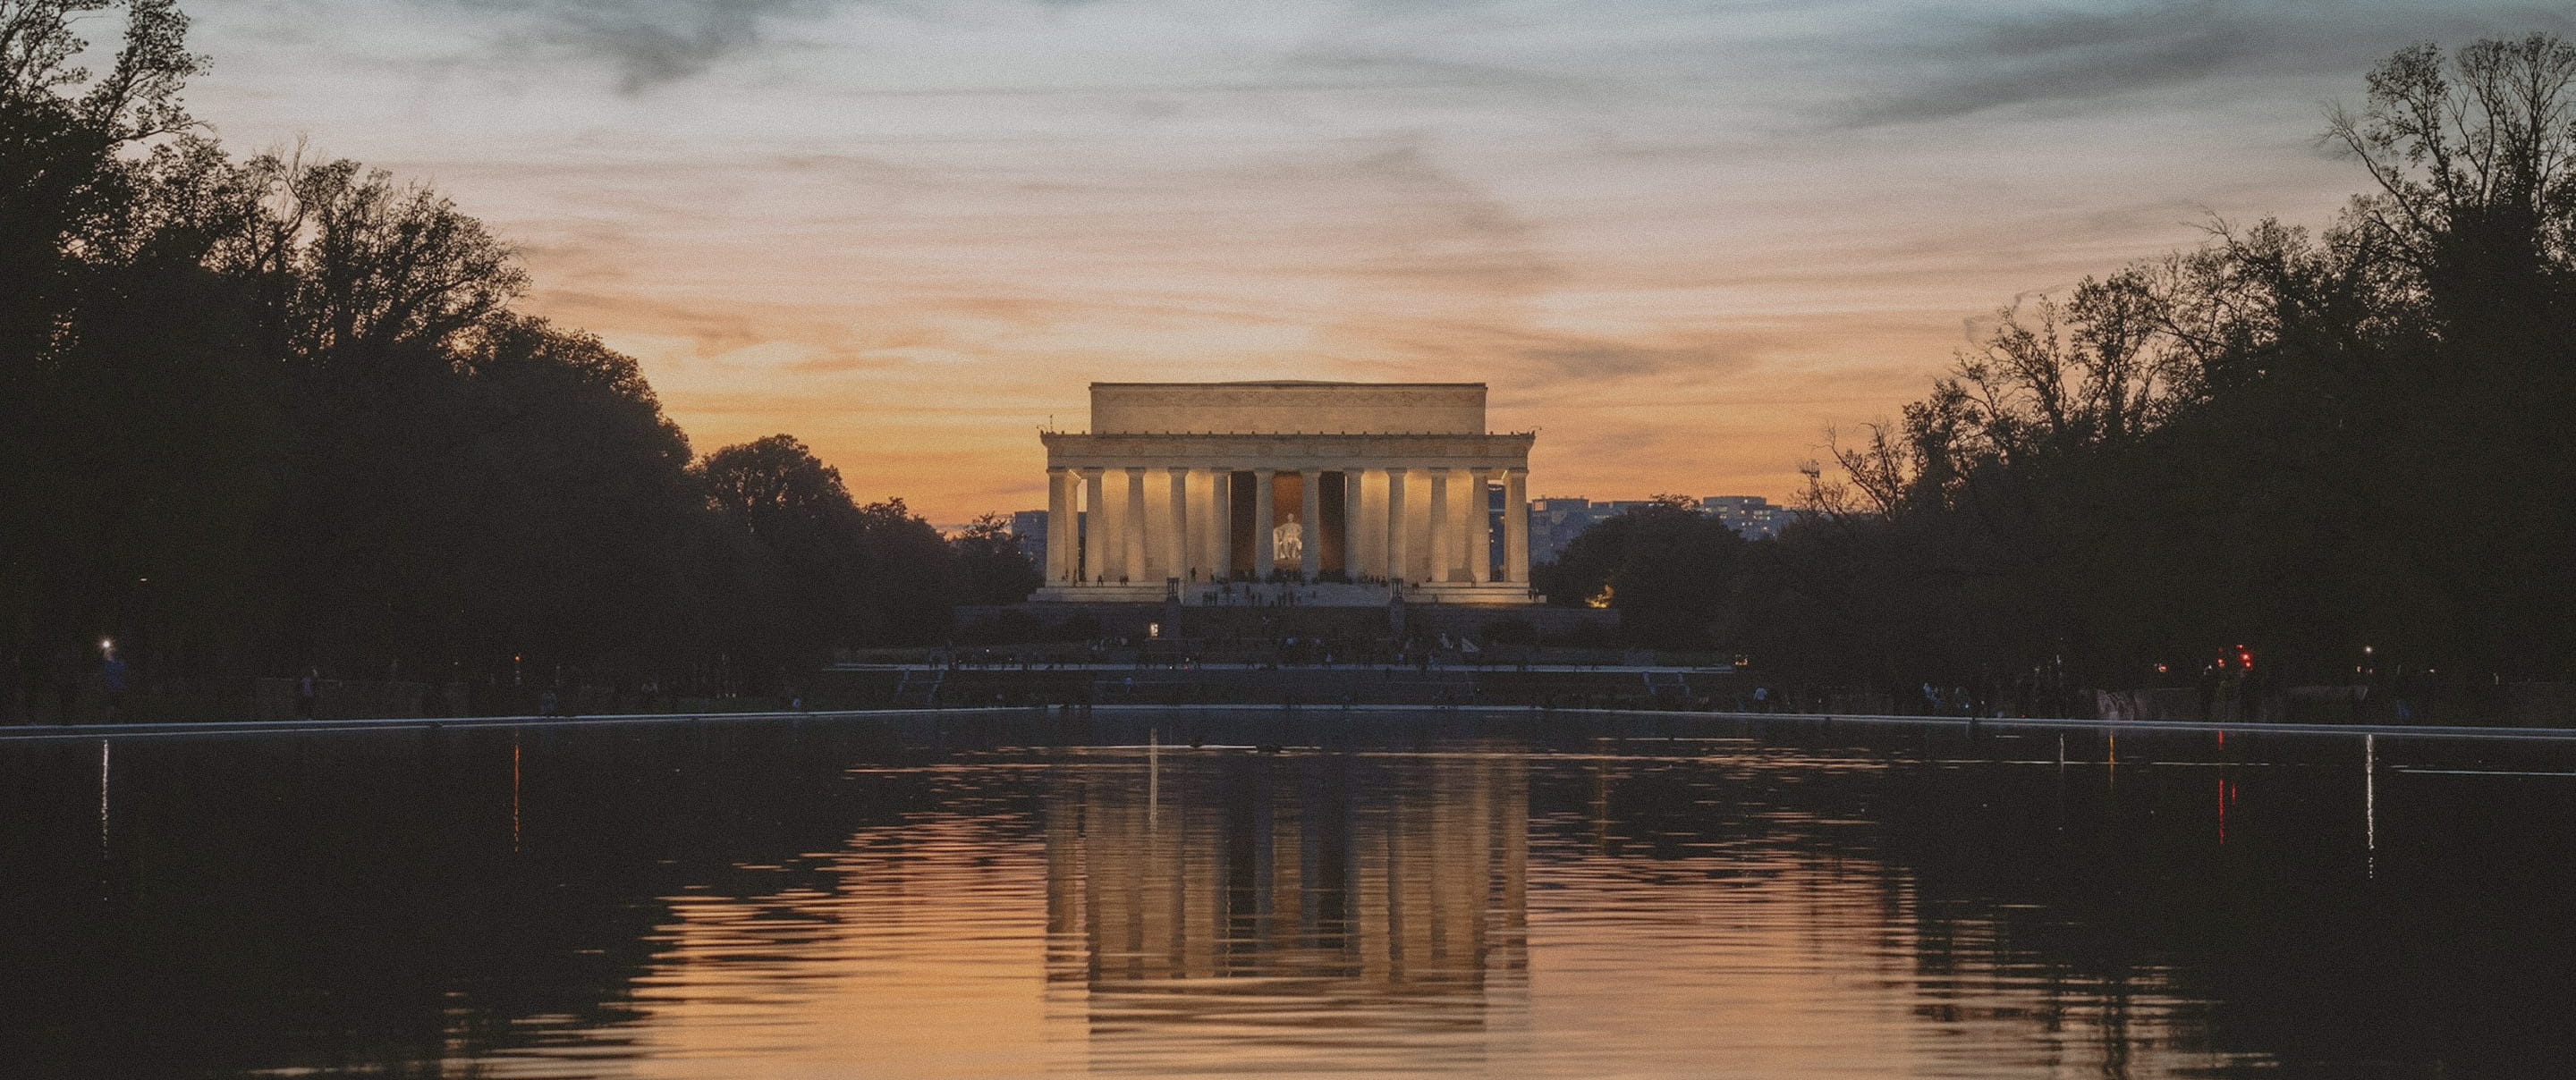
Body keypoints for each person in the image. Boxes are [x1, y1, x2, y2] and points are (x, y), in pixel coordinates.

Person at [100, 646, 127, 723]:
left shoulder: (120, 663)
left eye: (110, 653)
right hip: (110, 688)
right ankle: (109, 720)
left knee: (118, 705)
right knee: (110, 705)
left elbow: (121, 671)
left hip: (119, 687)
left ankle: (119, 721)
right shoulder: (107, 665)